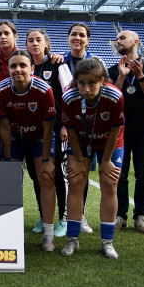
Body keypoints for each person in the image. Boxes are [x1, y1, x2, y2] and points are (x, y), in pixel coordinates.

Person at [60, 58, 124, 259]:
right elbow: (70, 130)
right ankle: (72, 239)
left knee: (109, 183)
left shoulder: (114, 95)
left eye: (92, 83)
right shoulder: (69, 97)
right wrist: (78, 160)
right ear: (76, 82)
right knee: (76, 181)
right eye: (81, 83)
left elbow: (115, 131)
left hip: (109, 142)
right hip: (80, 141)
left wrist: (105, 161)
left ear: (102, 81)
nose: (86, 89)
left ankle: (107, 241)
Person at [0, 50, 57, 251]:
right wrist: (6, 157)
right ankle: (10, 231)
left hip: (39, 137)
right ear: (8, 70)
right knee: (9, 180)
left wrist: (46, 159)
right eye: (13, 66)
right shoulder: (0, 89)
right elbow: (3, 126)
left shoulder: (44, 89)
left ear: (32, 69)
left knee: (46, 177)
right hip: (14, 137)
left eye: (23, 65)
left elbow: (48, 129)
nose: (18, 69)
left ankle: (48, 233)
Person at [108, 30, 144, 233]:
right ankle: (120, 215)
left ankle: (141, 215)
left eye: (122, 38)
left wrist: (140, 76)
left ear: (136, 41)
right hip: (119, 130)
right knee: (119, 175)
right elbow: (113, 99)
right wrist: (121, 78)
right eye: (117, 38)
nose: (118, 41)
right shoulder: (114, 69)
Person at [25, 29, 70, 237]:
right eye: (30, 40)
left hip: (56, 129)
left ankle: (64, 218)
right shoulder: (23, 64)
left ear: (46, 43)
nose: (34, 43)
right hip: (32, 133)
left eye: (38, 40)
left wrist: (65, 125)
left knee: (58, 175)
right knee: (37, 176)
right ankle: (45, 216)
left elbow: (70, 94)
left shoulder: (57, 64)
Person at [63, 23, 98, 233]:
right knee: (69, 174)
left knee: (83, 174)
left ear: (88, 40)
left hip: (92, 129)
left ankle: (80, 215)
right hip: (68, 126)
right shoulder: (58, 62)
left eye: (82, 35)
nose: (77, 38)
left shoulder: (96, 63)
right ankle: (65, 216)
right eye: (74, 34)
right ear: (68, 38)